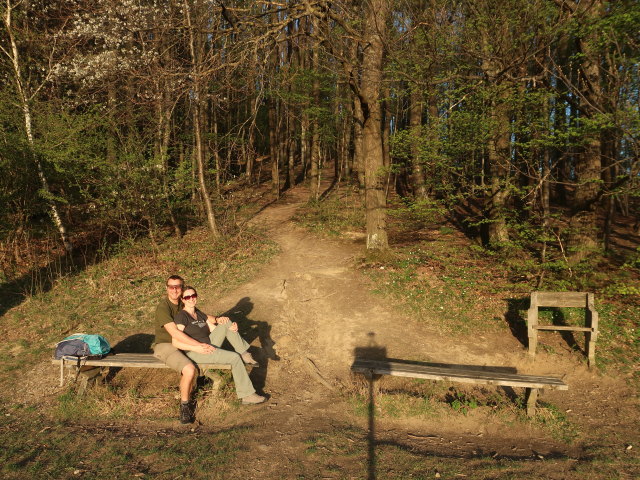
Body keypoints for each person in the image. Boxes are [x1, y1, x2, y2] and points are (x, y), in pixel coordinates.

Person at [172, 286, 265, 406]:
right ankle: (247, 395)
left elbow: (215, 329)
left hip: (208, 344)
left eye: (193, 296)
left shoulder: (199, 313)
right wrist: (196, 348)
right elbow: (176, 341)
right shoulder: (182, 316)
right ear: (183, 300)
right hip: (196, 352)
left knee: (226, 321)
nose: (191, 299)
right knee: (234, 358)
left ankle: (244, 353)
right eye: (188, 297)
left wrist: (230, 328)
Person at [153, 275, 217, 424]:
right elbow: (175, 334)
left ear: (182, 287)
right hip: (166, 345)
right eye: (171, 286)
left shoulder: (184, 302)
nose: (175, 290)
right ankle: (185, 406)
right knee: (189, 369)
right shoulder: (163, 307)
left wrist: (219, 319)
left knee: (210, 347)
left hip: (185, 344)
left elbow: (203, 317)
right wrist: (196, 345)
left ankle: (206, 379)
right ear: (166, 288)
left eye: (178, 286)